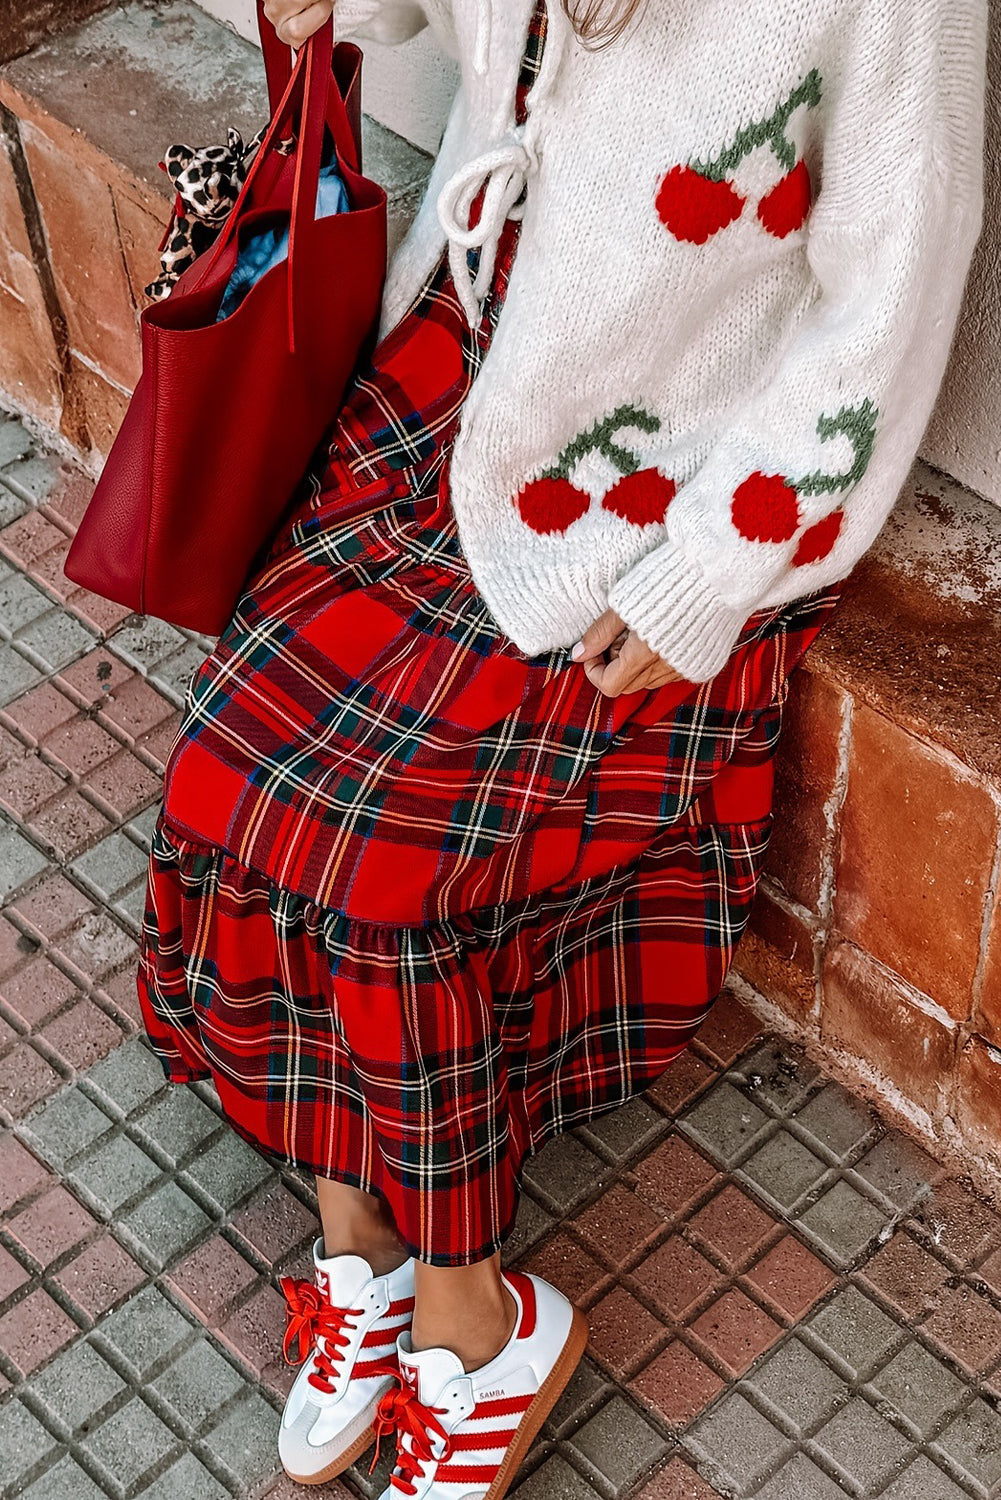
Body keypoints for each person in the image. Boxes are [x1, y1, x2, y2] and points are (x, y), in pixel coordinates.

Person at [135, 0, 987, 1493]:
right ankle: (366, 1246)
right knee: (229, 775)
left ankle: (481, 1325)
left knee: (380, 871)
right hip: (449, 386)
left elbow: (891, 293)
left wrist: (712, 572)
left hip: (660, 488)